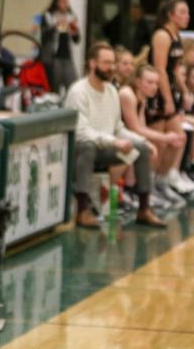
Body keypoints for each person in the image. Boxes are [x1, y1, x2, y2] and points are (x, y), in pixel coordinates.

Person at [64, 43, 163, 228]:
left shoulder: (111, 91)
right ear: (92, 64)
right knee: (88, 146)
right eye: (106, 63)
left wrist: (143, 141)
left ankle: (144, 209)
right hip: (79, 149)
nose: (111, 67)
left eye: (113, 63)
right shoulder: (79, 91)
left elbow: (118, 127)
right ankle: (82, 211)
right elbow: (82, 131)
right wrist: (114, 142)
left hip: (106, 147)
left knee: (141, 149)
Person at [148, 0, 194, 195]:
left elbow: (176, 70)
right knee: (159, 142)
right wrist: (167, 98)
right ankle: (149, 187)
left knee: (179, 138)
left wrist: (185, 91)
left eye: (187, 12)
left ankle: (162, 180)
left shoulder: (176, 36)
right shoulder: (162, 35)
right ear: (170, 14)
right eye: (183, 12)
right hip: (157, 94)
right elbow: (160, 69)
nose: (187, 16)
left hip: (169, 92)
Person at [118, 64, 186, 209]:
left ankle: (155, 184)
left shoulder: (141, 98)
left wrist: (165, 139)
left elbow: (141, 128)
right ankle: (131, 190)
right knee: (142, 146)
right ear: (137, 81)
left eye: (156, 83)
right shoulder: (127, 94)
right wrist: (165, 137)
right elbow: (134, 128)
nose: (154, 87)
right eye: (150, 82)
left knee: (156, 144)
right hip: (115, 136)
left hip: (126, 135)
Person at [39, 0, 81, 94]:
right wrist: (56, 25)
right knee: (54, 87)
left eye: (67, 1)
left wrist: (75, 31)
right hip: (53, 57)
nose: (65, 4)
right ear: (56, 2)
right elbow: (44, 36)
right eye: (63, 1)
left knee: (73, 86)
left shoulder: (71, 16)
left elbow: (76, 40)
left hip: (67, 57)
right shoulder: (48, 15)